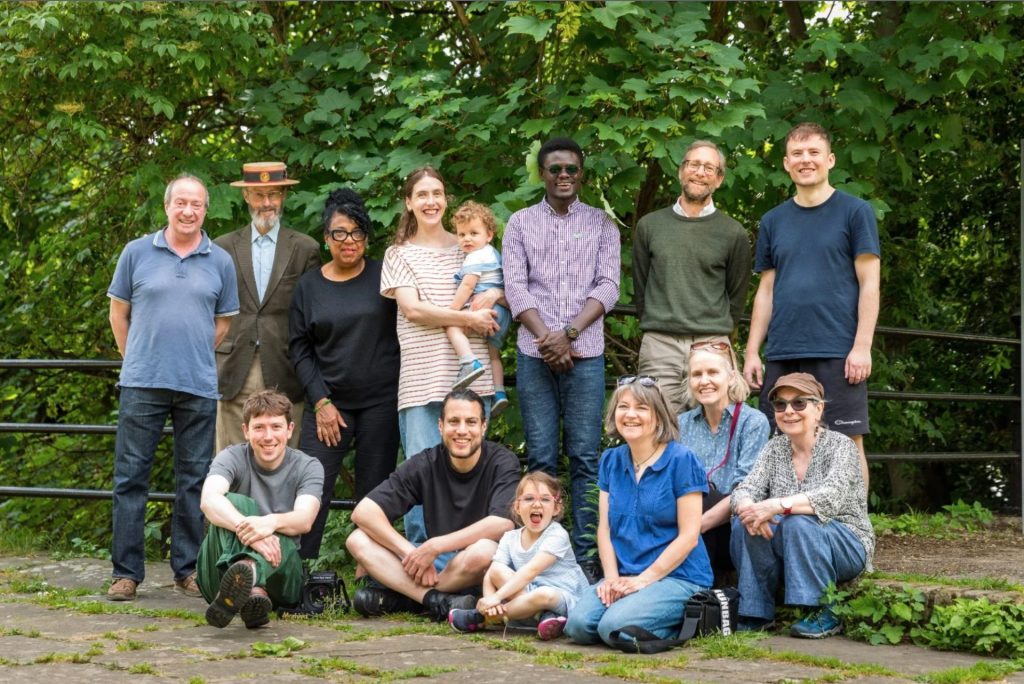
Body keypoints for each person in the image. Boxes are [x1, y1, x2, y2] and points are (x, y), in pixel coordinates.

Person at [106, 173, 240, 601]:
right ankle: (126, 572)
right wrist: (141, 358)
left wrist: (191, 353)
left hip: (198, 384)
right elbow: (118, 314)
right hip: (141, 382)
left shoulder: (219, 260)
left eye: (196, 204)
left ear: (206, 210)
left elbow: (222, 323)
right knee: (131, 479)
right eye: (180, 203)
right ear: (166, 206)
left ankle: (188, 569)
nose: (188, 211)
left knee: (195, 481)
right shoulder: (136, 253)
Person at [502, 137, 621, 573]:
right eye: (555, 169)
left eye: (572, 168)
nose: (564, 176)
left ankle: (588, 558)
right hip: (534, 356)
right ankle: (538, 556)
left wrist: (568, 334)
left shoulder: (603, 225)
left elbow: (608, 286)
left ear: (582, 173)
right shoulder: (519, 223)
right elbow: (515, 286)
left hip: (586, 354)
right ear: (543, 173)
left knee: (587, 458)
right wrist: (547, 338)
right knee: (540, 458)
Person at [743, 122, 881, 485]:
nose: (806, 160)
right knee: (779, 443)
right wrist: (752, 352)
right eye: (797, 154)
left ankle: (853, 533)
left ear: (830, 159)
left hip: (838, 349)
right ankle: (791, 528)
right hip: (784, 350)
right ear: (786, 164)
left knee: (848, 443)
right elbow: (766, 290)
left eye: (814, 153)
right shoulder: (773, 220)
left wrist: (862, 346)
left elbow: (870, 283)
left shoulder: (855, 211)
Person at [380, 167, 501, 544]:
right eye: (422, 195)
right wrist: (468, 317)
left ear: (446, 199)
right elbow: (414, 310)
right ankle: (419, 560)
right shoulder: (398, 253)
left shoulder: (470, 244)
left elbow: (499, 284)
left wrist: (496, 296)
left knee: (472, 469)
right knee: (419, 469)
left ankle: (469, 560)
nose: (431, 201)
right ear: (409, 202)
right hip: (421, 375)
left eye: (437, 193)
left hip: (472, 372)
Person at [288, 188, 401, 562]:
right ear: (326, 237)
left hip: (380, 403)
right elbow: (299, 348)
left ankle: (371, 575)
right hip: (328, 406)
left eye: (356, 232)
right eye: (339, 233)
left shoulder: (385, 277)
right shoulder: (309, 287)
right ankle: (297, 573)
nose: (348, 241)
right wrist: (321, 402)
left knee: (374, 493)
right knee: (311, 488)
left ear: (366, 237)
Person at [345, 389, 520, 622]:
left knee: (485, 550)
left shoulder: (503, 461)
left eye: (471, 422)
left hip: (474, 564)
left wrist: (435, 546)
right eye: (453, 422)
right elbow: (364, 512)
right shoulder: (425, 462)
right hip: (433, 564)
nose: (462, 430)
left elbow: (502, 523)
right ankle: (435, 601)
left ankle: (406, 597)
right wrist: (410, 553)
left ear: (483, 426)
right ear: (440, 426)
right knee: (357, 540)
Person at [565, 376, 712, 648]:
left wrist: (643, 581)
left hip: (678, 577)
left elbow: (689, 536)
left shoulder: (682, 460)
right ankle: (634, 614)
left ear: (658, 416)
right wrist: (610, 580)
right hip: (623, 575)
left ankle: (678, 624)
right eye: (623, 406)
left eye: (642, 408)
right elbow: (605, 529)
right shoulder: (611, 460)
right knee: (578, 626)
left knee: (613, 627)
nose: (630, 415)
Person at [730, 372, 874, 638]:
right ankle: (755, 611)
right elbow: (744, 489)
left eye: (799, 403)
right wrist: (750, 507)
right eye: (780, 405)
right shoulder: (775, 448)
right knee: (744, 522)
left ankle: (825, 611)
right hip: (792, 544)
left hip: (846, 544)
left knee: (798, 521)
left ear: (818, 408)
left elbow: (829, 497)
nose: (789, 411)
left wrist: (776, 505)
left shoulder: (840, 446)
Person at [633, 140, 752, 415]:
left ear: (719, 179)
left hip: (712, 342)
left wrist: (717, 333)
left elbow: (737, 294)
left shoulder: (733, 233)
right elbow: (641, 286)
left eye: (709, 167)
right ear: (680, 171)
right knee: (659, 425)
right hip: (661, 344)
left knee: (716, 426)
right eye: (693, 164)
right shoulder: (649, 226)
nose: (700, 172)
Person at [215, 161, 321, 452]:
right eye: (259, 195)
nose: (267, 203)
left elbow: (310, 315)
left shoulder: (304, 248)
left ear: (283, 197)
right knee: (231, 460)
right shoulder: (222, 247)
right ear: (246, 196)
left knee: (284, 460)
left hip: (285, 366)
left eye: (274, 194)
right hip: (234, 366)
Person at [197, 390, 324, 629]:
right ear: (246, 430)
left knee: (283, 533)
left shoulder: (308, 466)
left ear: (290, 429)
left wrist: (270, 524)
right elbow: (208, 500)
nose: (268, 436)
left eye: (276, 427)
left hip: (282, 576)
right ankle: (251, 582)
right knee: (233, 502)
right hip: (217, 573)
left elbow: (304, 520)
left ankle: (249, 579)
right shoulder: (230, 457)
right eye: (259, 428)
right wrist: (253, 534)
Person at [448, 471, 589, 640]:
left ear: (556, 508)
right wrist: (489, 601)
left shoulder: (557, 535)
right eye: (529, 498)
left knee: (544, 594)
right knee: (498, 569)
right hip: (526, 597)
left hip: (562, 596)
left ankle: (481, 618)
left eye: (545, 499)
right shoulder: (510, 538)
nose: (537, 505)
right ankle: (542, 617)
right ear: (517, 506)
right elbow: (492, 574)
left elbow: (531, 570)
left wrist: (496, 599)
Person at [677, 340, 769, 584]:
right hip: (689, 522)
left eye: (712, 372)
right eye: (696, 374)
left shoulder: (753, 422)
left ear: (730, 377)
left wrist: (694, 528)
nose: (704, 380)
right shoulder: (681, 424)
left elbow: (747, 488)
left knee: (707, 497)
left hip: (731, 524)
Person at [445, 201, 512, 416]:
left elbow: (468, 285)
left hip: (485, 310)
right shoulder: (493, 254)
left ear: (489, 235)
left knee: (452, 328)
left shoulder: (476, 256)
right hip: (503, 314)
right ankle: (500, 393)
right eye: (462, 234)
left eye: (474, 233)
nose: (467, 239)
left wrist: (453, 311)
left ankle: (469, 362)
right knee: (493, 355)